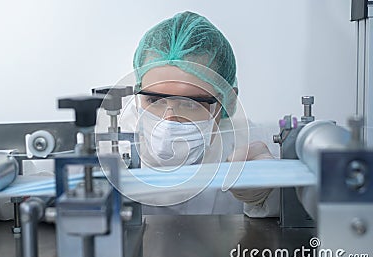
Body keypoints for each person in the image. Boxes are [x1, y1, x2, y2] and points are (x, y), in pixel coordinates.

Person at [116, 11, 280, 216]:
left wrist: (267, 197)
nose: (168, 121)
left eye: (191, 103)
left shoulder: (250, 149)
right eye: (155, 100)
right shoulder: (110, 148)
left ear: (224, 102)